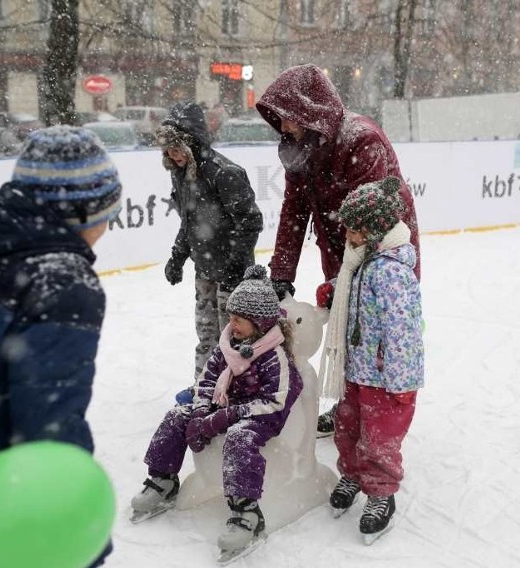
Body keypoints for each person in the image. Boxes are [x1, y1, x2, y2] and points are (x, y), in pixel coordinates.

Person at [0, 125, 121, 565]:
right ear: (81, 213)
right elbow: (49, 423)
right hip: (7, 493)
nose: (109, 224)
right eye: (107, 210)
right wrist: (73, 522)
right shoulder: (64, 282)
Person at [255, 63, 422, 437]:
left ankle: (381, 420)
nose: (283, 128)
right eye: (278, 119)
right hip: (340, 245)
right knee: (346, 328)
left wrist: (347, 276)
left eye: (288, 118)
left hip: (383, 252)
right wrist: (282, 274)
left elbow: (377, 219)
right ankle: (350, 406)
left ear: (311, 114)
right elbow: (293, 211)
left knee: (377, 332)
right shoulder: (301, 148)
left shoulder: (361, 142)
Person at [130, 265, 303, 558]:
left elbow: (274, 401)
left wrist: (224, 418)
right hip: (226, 406)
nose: (231, 323)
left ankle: (246, 512)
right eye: (232, 317)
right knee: (178, 415)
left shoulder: (274, 355)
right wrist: (200, 414)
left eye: (238, 319)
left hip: (259, 417)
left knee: (239, 437)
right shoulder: (227, 346)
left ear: (259, 321)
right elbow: (207, 381)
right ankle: (163, 479)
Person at [323, 176, 424, 544]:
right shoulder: (362, 260)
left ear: (376, 230)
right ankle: (351, 474)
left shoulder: (393, 271)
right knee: (347, 426)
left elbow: (405, 332)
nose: (347, 236)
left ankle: (381, 494)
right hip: (356, 368)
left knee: (380, 439)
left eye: (353, 230)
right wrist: (333, 291)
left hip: (384, 376)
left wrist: (401, 383)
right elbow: (353, 290)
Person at [156, 101, 263, 396]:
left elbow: (251, 223)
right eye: (167, 150)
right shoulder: (181, 174)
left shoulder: (224, 173)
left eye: (177, 148)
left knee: (235, 337)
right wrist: (177, 256)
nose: (172, 155)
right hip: (205, 269)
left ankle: (237, 391)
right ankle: (204, 387)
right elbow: (190, 222)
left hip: (234, 276)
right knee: (206, 335)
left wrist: (234, 267)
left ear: (191, 143)